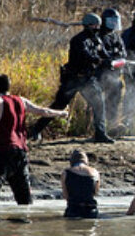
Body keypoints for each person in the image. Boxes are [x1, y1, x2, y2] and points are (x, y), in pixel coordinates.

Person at [0, 74, 68, 206]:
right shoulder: (21, 100)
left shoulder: (0, 101)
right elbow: (43, 111)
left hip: (4, 152)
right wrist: (61, 113)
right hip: (20, 153)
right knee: (25, 200)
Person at [29, 13, 114, 143]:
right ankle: (36, 130)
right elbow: (86, 56)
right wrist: (101, 61)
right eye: (94, 25)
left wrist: (111, 60)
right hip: (73, 80)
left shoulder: (97, 40)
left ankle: (100, 134)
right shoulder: (78, 40)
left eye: (98, 25)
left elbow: (104, 53)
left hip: (87, 80)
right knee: (59, 106)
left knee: (98, 104)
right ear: (87, 25)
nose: (97, 28)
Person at [97, 8, 126, 128]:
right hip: (100, 75)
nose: (114, 23)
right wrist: (111, 59)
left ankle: (113, 124)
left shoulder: (116, 36)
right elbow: (101, 54)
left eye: (116, 21)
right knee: (98, 102)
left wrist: (120, 59)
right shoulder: (99, 36)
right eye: (111, 21)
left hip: (114, 75)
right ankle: (98, 126)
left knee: (115, 99)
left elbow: (123, 52)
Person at [61, 150, 100, 218]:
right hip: (90, 210)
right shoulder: (95, 172)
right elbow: (95, 192)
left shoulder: (66, 173)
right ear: (86, 161)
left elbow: (65, 195)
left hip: (73, 210)